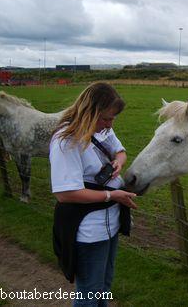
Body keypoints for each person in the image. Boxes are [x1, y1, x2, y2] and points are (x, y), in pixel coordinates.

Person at [50, 82, 137, 306]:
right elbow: (66, 193)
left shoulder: (101, 128)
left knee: (104, 287)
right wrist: (112, 196)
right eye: (106, 118)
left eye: (113, 119)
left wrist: (118, 162)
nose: (110, 124)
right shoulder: (66, 141)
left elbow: (120, 151)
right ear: (90, 111)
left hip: (110, 223)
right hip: (89, 229)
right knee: (88, 294)